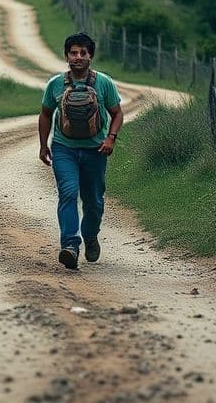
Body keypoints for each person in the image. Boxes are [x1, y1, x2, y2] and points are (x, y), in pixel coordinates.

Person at [38, 32, 124, 270]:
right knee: (68, 192)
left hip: (96, 150)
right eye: (73, 53)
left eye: (83, 53)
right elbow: (45, 114)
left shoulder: (104, 83)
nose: (78, 57)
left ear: (91, 56)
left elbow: (117, 113)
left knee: (94, 201)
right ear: (66, 56)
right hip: (64, 148)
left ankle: (90, 235)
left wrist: (111, 139)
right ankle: (70, 246)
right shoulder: (55, 84)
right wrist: (43, 145)